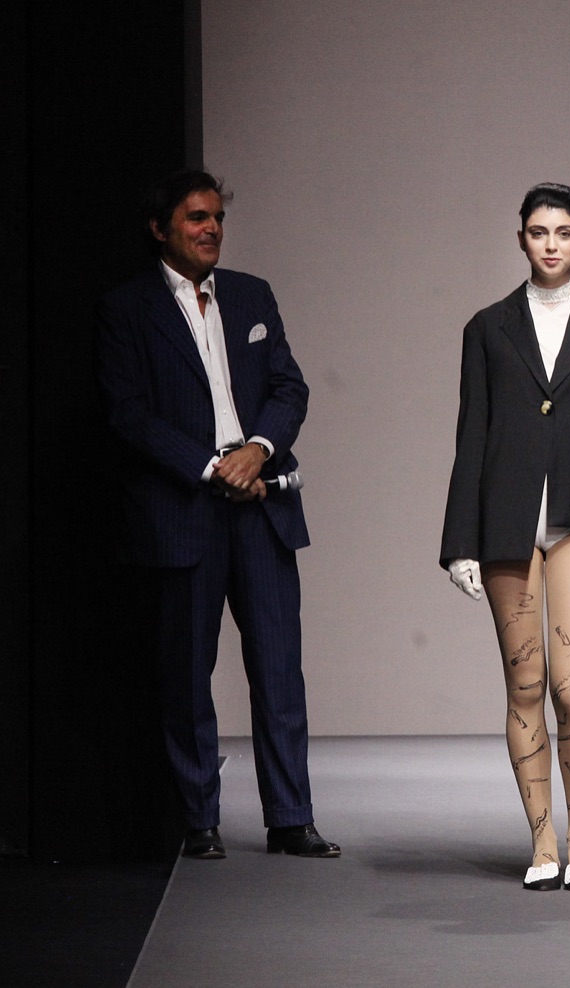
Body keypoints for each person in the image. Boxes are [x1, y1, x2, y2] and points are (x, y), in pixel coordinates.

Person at [97, 170, 338, 859]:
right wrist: (212, 467)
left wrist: (256, 452)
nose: (211, 230)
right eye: (196, 218)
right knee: (186, 675)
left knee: (279, 669)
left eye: (217, 218)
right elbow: (129, 415)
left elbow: (290, 387)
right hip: (184, 512)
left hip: (262, 507)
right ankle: (198, 820)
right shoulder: (127, 308)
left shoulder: (251, 294)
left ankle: (290, 818)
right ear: (160, 229)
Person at [440, 183, 570, 892]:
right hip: (507, 515)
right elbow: (472, 435)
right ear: (521, 239)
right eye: (538, 232)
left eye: (562, 232)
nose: (550, 244)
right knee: (524, 683)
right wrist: (459, 539)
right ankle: (544, 841)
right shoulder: (487, 328)